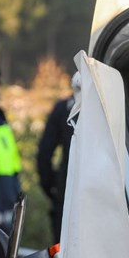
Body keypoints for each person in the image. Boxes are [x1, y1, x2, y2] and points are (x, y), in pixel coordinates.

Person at [36, 71, 81, 243]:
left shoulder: (63, 108)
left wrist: (52, 187)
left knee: (63, 252)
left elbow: (44, 154)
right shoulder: (105, 106)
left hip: (66, 190)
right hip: (97, 192)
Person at [0, 104, 21, 232]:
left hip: (7, 190)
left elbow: (14, 164)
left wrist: (16, 191)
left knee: (6, 238)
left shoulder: (4, 129)